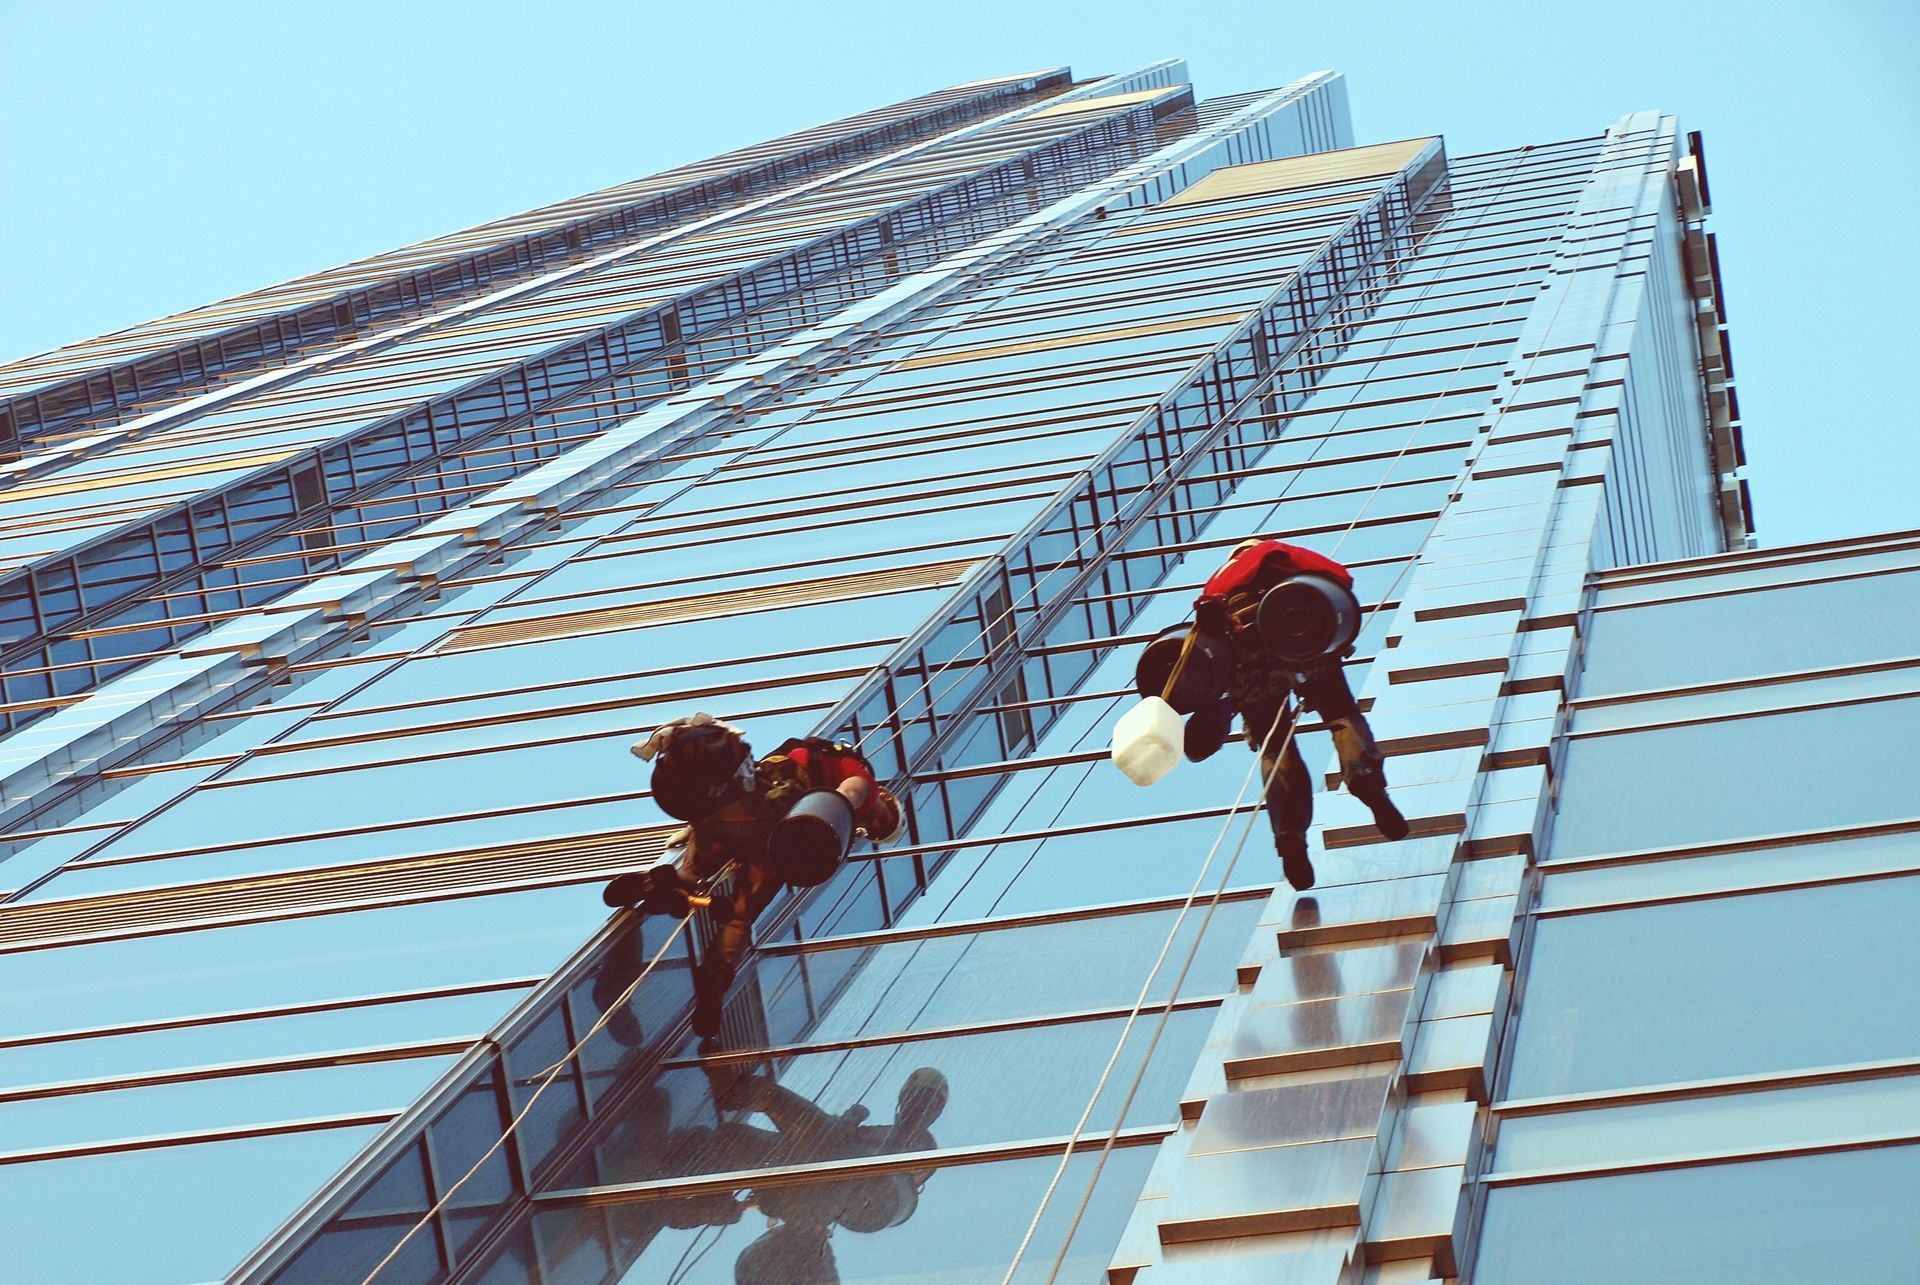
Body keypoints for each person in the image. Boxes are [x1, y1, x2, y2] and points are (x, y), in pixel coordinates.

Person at [603, 714, 904, 1038]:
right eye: (883, 819)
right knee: (739, 916)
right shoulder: (863, 782)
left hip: (744, 819)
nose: (873, 822)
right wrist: (823, 826)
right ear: (886, 797)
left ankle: (669, 898)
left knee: (713, 887)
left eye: (874, 830)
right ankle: (710, 967)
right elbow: (853, 791)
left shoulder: (820, 765)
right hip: (773, 825)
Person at [1137, 539, 1408, 891]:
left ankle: (1289, 834)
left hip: (1242, 660)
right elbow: (1333, 575)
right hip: (1286, 631)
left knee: (1274, 745)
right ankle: (1363, 777)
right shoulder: (1270, 551)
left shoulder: (1217, 579)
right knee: (1341, 714)